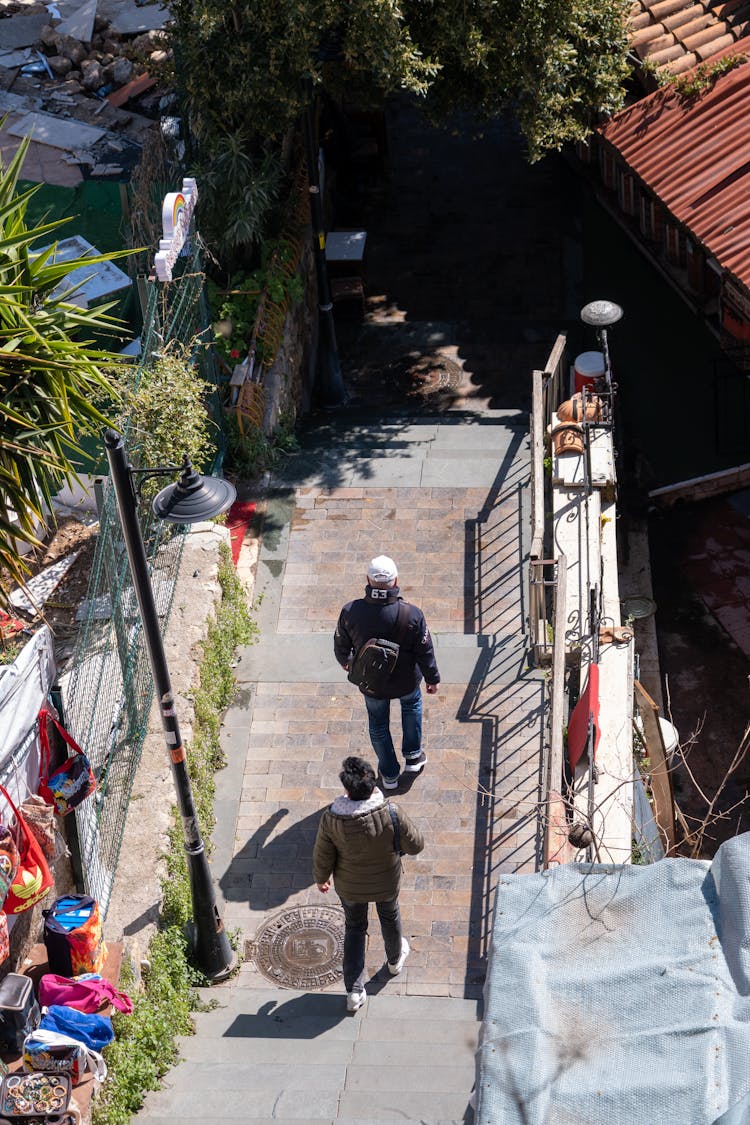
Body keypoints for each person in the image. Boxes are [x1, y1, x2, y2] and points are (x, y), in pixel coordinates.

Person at [313, 756, 424, 1012]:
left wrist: (321, 879)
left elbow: (322, 855)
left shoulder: (332, 819)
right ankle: (395, 960)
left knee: (354, 928)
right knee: (389, 916)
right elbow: (416, 844)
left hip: (350, 887)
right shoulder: (391, 813)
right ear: (373, 785)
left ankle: (354, 991)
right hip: (386, 881)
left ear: (347, 789)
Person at [334, 555, 440, 790]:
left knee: (378, 725)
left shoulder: (351, 611)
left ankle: (389, 775)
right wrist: (432, 679)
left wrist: (350, 663)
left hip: (373, 683)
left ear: (368, 580)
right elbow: (425, 650)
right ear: (395, 581)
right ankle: (413, 757)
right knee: (411, 708)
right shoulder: (412, 614)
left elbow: (341, 645)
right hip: (407, 680)